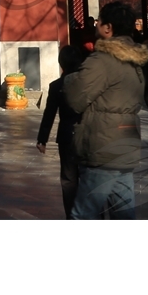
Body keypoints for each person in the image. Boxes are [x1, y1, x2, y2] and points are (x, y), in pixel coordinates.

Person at [63, 18, 148, 219]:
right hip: (126, 141)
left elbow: (75, 98)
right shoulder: (135, 61)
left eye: (99, 21)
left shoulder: (101, 60)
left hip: (103, 144)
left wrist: (69, 79)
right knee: (123, 213)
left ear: (108, 28)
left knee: (82, 214)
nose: (95, 25)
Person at [36, 40, 88, 216]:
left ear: (61, 63)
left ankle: (71, 216)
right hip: (89, 134)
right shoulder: (89, 83)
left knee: (68, 179)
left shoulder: (57, 85)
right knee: (90, 178)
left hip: (67, 135)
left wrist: (42, 139)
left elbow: (49, 114)